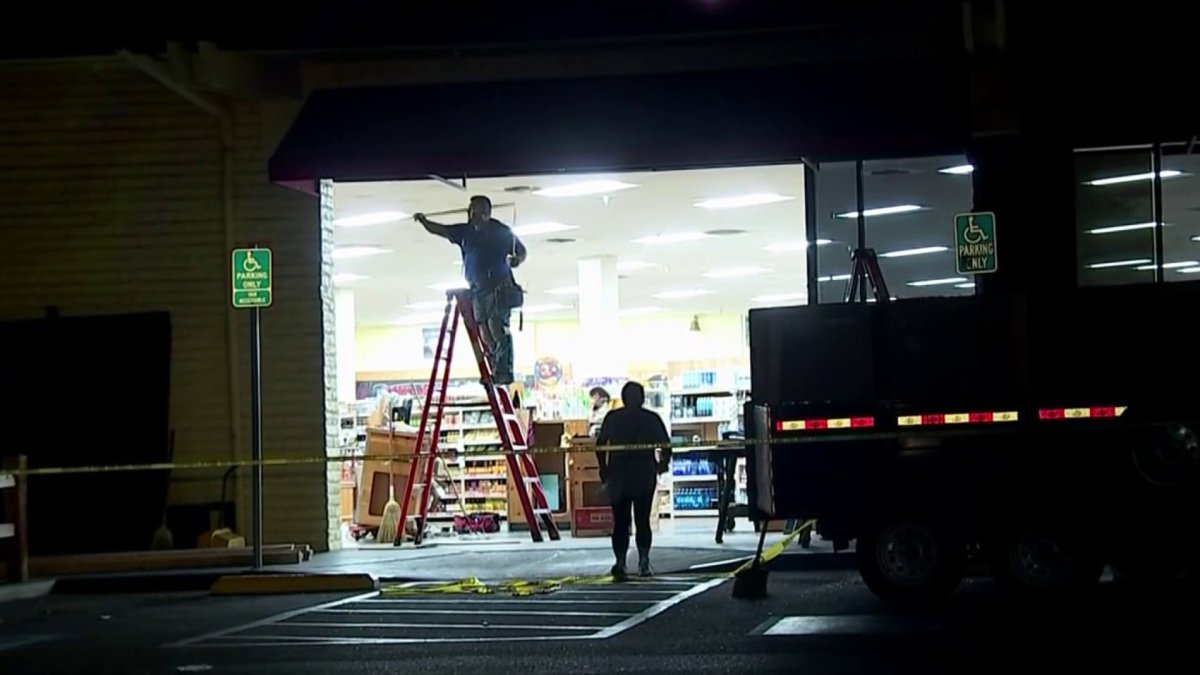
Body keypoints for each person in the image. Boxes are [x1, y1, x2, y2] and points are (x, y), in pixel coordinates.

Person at [414, 196, 526, 385]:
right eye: (472, 211)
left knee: (496, 326)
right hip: (477, 289)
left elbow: (521, 251)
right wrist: (425, 222)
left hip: (499, 287)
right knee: (483, 329)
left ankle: (504, 371)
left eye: (479, 212)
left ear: (488, 213)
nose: (475, 215)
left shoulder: (500, 231)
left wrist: (516, 260)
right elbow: (441, 230)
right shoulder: (465, 232)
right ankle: (494, 366)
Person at [596, 381, 671, 579]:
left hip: (618, 475)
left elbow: (600, 445)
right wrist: (661, 465)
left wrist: (603, 469)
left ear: (623, 398)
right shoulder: (651, 419)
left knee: (620, 522)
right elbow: (666, 446)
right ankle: (643, 562)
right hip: (644, 475)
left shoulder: (613, 418)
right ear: (642, 397)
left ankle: (620, 562)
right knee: (642, 520)